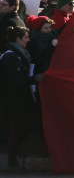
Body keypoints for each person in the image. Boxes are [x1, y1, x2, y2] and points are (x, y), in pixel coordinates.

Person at [0, 26, 44, 173]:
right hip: (13, 100)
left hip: (19, 99)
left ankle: (17, 155)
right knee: (15, 129)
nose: (28, 40)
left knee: (23, 126)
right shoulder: (10, 56)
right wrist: (33, 79)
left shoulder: (19, 54)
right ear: (17, 39)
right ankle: (13, 162)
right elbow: (15, 80)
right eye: (25, 37)